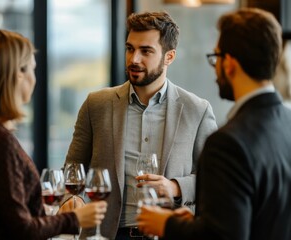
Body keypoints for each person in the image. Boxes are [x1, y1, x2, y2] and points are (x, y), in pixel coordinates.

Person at [136, 8, 291, 240]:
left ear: (229, 64)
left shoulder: (228, 143)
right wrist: (199, 223)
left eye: (215, 57)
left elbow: (222, 236)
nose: (215, 68)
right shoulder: (287, 123)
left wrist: (168, 225)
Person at [60, 11, 218, 239]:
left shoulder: (197, 110)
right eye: (130, 48)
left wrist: (175, 187)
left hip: (168, 233)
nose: (134, 59)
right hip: (106, 235)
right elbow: (73, 170)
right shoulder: (96, 104)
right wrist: (71, 198)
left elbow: (213, 182)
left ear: (169, 57)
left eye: (146, 51)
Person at [0, 29, 107, 240]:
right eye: (32, 69)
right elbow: (22, 229)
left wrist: (44, 214)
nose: (35, 78)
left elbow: (5, 212)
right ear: (17, 73)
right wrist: (76, 218)